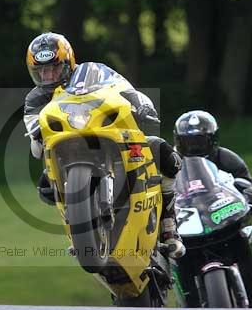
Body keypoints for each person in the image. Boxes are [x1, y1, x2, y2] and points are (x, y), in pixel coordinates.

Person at [24, 31, 185, 259]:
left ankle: (169, 223)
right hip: (67, 150)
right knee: (44, 186)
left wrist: (140, 103)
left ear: (68, 62)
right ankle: (78, 230)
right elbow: (35, 135)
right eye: (41, 71)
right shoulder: (35, 98)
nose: (48, 75)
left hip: (108, 136)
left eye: (53, 68)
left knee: (161, 150)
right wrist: (37, 133)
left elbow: (123, 87)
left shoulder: (92, 72)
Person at [173, 110, 252, 297]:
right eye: (189, 142)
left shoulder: (227, 158)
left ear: (212, 140)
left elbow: (246, 184)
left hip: (222, 212)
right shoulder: (170, 162)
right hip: (188, 217)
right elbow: (160, 186)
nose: (194, 147)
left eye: (200, 141)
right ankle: (183, 293)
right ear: (179, 142)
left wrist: (250, 193)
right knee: (163, 245)